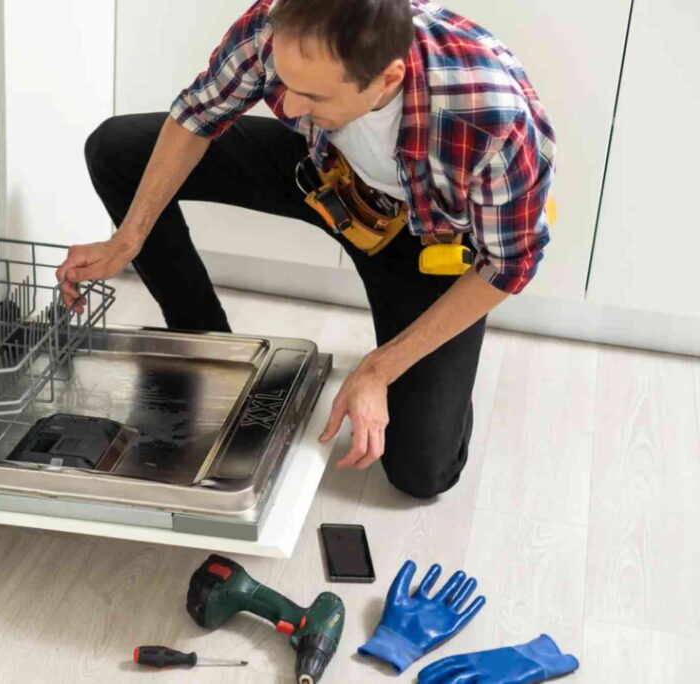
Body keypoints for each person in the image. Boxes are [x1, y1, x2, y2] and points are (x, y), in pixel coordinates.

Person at [55, 0, 555, 499]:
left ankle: (429, 366)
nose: (287, 107)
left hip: (427, 238)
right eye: (286, 81)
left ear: (387, 78)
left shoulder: (489, 116)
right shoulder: (279, 23)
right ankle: (207, 341)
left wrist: (379, 368)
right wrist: (129, 238)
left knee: (421, 474)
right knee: (118, 149)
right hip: (325, 175)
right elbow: (197, 115)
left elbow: (511, 262)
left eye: (311, 94)